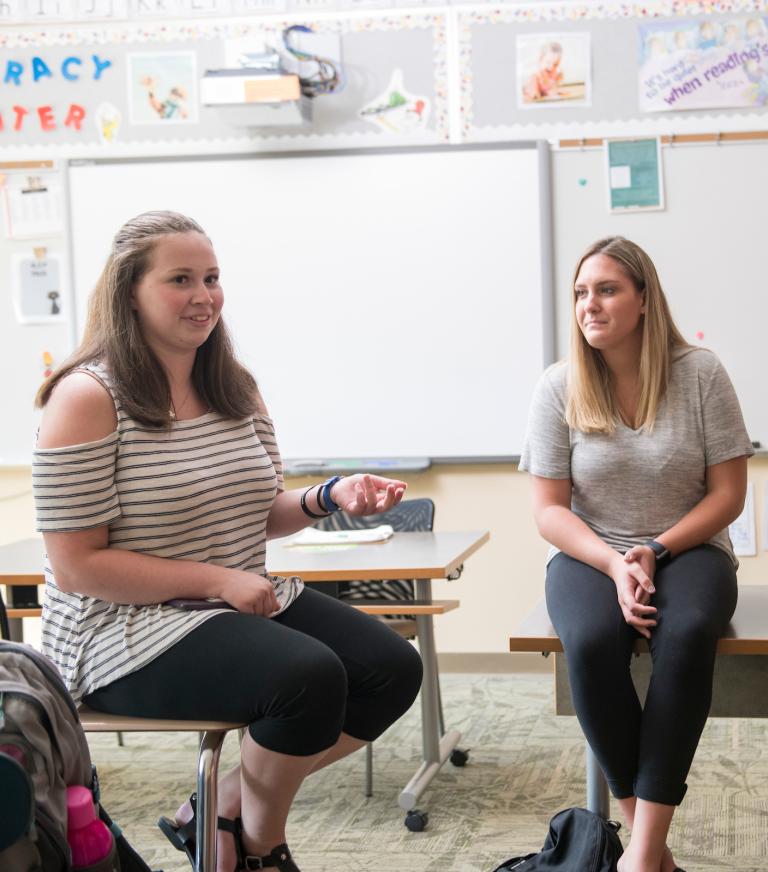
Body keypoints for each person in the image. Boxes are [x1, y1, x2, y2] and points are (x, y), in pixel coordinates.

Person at [32, 211, 423, 872]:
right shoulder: (86, 398)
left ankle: (219, 810)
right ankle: (261, 848)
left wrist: (329, 496)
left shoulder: (233, 387)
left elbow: (260, 510)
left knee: (391, 669)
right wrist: (216, 580)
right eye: (180, 279)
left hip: (231, 602)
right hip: (118, 631)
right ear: (130, 291)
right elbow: (76, 567)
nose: (204, 295)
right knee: (306, 679)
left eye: (211, 278)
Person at [519, 236, 752, 872]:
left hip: (689, 547)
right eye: (579, 293)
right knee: (592, 642)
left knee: (690, 630)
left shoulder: (700, 373)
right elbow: (549, 511)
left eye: (607, 289)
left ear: (645, 300)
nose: (588, 305)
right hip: (589, 551)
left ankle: (642, 855)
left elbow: (729, 494)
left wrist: (652, 548)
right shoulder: (557, 386)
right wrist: (614, 562)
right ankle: (650, 848)